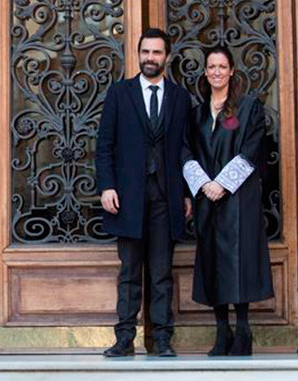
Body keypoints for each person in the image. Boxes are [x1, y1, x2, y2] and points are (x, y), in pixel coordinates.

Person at [96, 28, 192, 357]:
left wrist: (186, 193)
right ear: (138, 55)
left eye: (157, 52)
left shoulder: (180, 98)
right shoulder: (120, 93)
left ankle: (162, 339)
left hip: (166, 197)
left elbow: (184, 147)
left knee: (162, 272)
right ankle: (124, 338)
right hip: (127, 197)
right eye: (145, 52)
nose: (150, 58)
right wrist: (106, 185)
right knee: (129, 271)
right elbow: (104, 144)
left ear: (167, 56)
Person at [181, 46, 274, 356]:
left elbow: (251, 149)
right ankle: (222, 331)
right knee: (212, 262)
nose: (216, 71)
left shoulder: (248, 108)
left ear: (232, 70)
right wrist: (204, 184)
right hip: (207, 198)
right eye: (211, 67)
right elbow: (186, 151)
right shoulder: (195, 114)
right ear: (206, 72)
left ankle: (244, 331)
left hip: (238, 198)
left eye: (222, 66)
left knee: (239, 261)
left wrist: (222, 183)